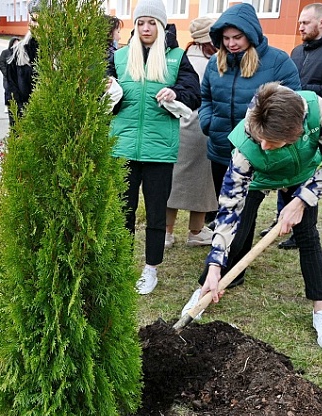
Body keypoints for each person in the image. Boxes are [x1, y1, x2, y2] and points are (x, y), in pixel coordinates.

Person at [182, 82, 322, 350]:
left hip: (302, 176)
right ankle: (206, 287)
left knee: (308, 236)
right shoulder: (247, 149)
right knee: (238, 234)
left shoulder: (314, 110)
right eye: (259, 137)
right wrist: (216, 263)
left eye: (271, 141)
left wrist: (301, 200)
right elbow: (229, 210)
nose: (262, 144)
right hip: (258, 178)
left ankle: (321, 312)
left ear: (295, 133)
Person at [198, 2, 301, 286]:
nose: (231, 44)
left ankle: (234, 268)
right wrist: (208, 122)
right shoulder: (214, 62)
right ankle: (221, 256)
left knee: (246, 208)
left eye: (237, 38)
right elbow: (205, 97)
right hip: (220, 148)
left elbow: (294, 103)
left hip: (257, 151)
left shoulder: (278, 62)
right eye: (226, 38)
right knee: (227, 205)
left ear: (251, 35)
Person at [107, 0, 201, 295]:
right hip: (122, 147)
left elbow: (193, 95)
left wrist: (176, 93)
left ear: (161, 26)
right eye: (140, 23)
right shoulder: (120, 57)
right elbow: (108, 103)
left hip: (160, 150)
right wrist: (110, 92)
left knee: (157, 211)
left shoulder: (175, 57)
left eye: (152, 23)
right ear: (134, 26)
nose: (146, 28)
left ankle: (151, 269)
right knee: (123, 210)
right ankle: (121, 266)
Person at [265, 2, 322, 251]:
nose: (300, 27)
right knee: (286, 174)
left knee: (305, 177)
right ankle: (282, 220)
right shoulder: (297, 51)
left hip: (314, 127)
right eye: (299, 22)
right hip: (288, 124)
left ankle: (301, 230)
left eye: (305, 23)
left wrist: (300, 94)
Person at [164, 17, 218, 249]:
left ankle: (166, 232)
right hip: (202, 126)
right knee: (202, 182)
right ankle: (196, 231)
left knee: (172, 179)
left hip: (176, 124)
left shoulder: (180, 59)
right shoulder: (215, 62)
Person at [5, 0, 40, 124]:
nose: (36, 26)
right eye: (34, 20)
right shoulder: (18, 54)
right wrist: (18, 129)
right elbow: (12, 95)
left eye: (43, 21)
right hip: (28, 124)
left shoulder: (65, 54)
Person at [0, 37, 20, 113]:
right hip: (8, 77)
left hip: (17, 77)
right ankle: (7, 105)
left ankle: (17, 105)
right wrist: (7, 73)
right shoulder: (5, 52)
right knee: (8, 91)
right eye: (15, 42)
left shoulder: (20, 53)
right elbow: (1, 64)